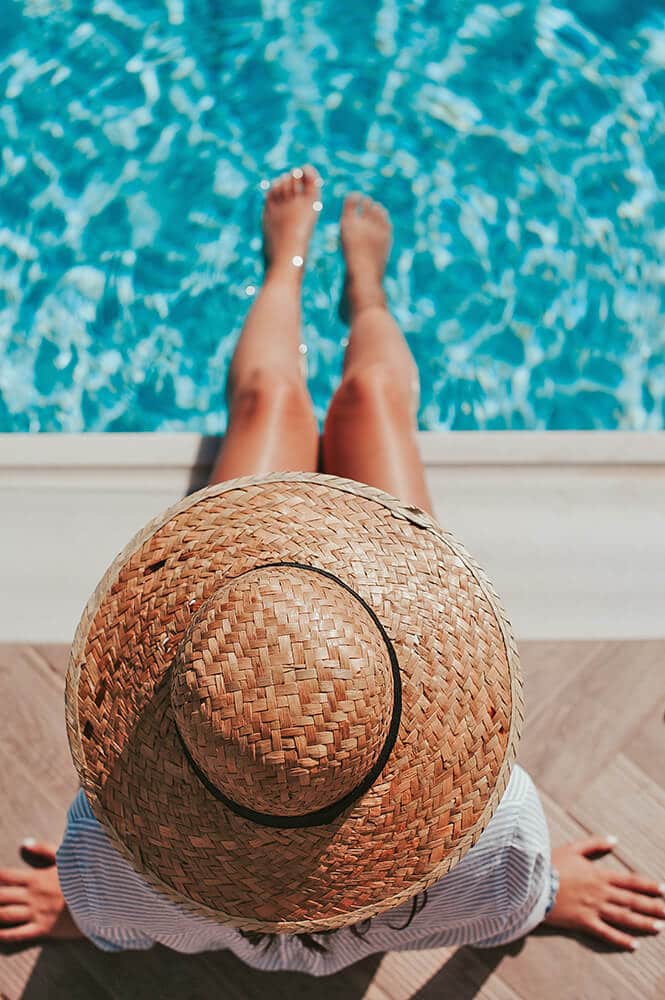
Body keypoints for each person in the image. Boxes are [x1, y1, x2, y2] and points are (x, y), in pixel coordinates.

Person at [1, 166, 663, 976]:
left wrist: (80, 909)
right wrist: (542, 892)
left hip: (262, 611)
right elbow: (507, 901)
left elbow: (115, 916)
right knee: (373, 398)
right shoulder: (497, 835)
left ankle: (286, 265)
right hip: (362, 625)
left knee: (272, 404)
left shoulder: (107, 857)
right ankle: (366, 293)